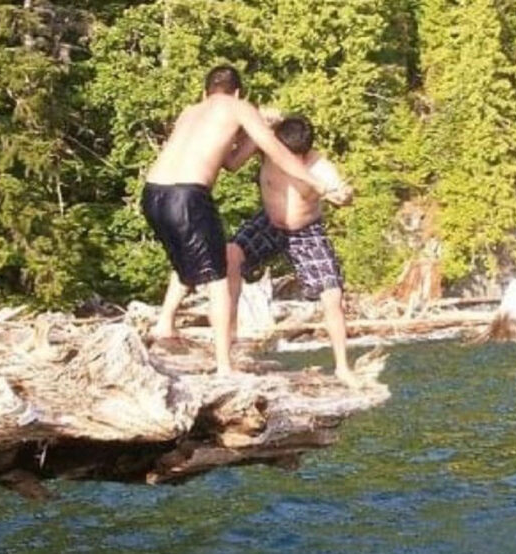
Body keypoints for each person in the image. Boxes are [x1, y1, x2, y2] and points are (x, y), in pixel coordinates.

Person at [142, 66, 337, 375]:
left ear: (206, 92)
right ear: (237, 92)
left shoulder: (190, 111)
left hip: (152, 195)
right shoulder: (240, 107)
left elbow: (231, 162)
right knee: (218, 277)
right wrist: (319, 184)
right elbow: (280, 153)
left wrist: (259, 129)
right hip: (188, 196)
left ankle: (164, 325)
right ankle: (223, 367)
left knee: (187, 264)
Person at [224, 113, 360, 387]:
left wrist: (345, 197)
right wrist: (262, 119)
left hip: (305, 230)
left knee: (332, 292)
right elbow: (234, 152)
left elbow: (342, 194)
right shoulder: (267, 145)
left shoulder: (321, 168)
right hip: (270, 222)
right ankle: (230, 344)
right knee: (231, 255)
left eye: (297, 157)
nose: (290, 162)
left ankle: (342, 367)